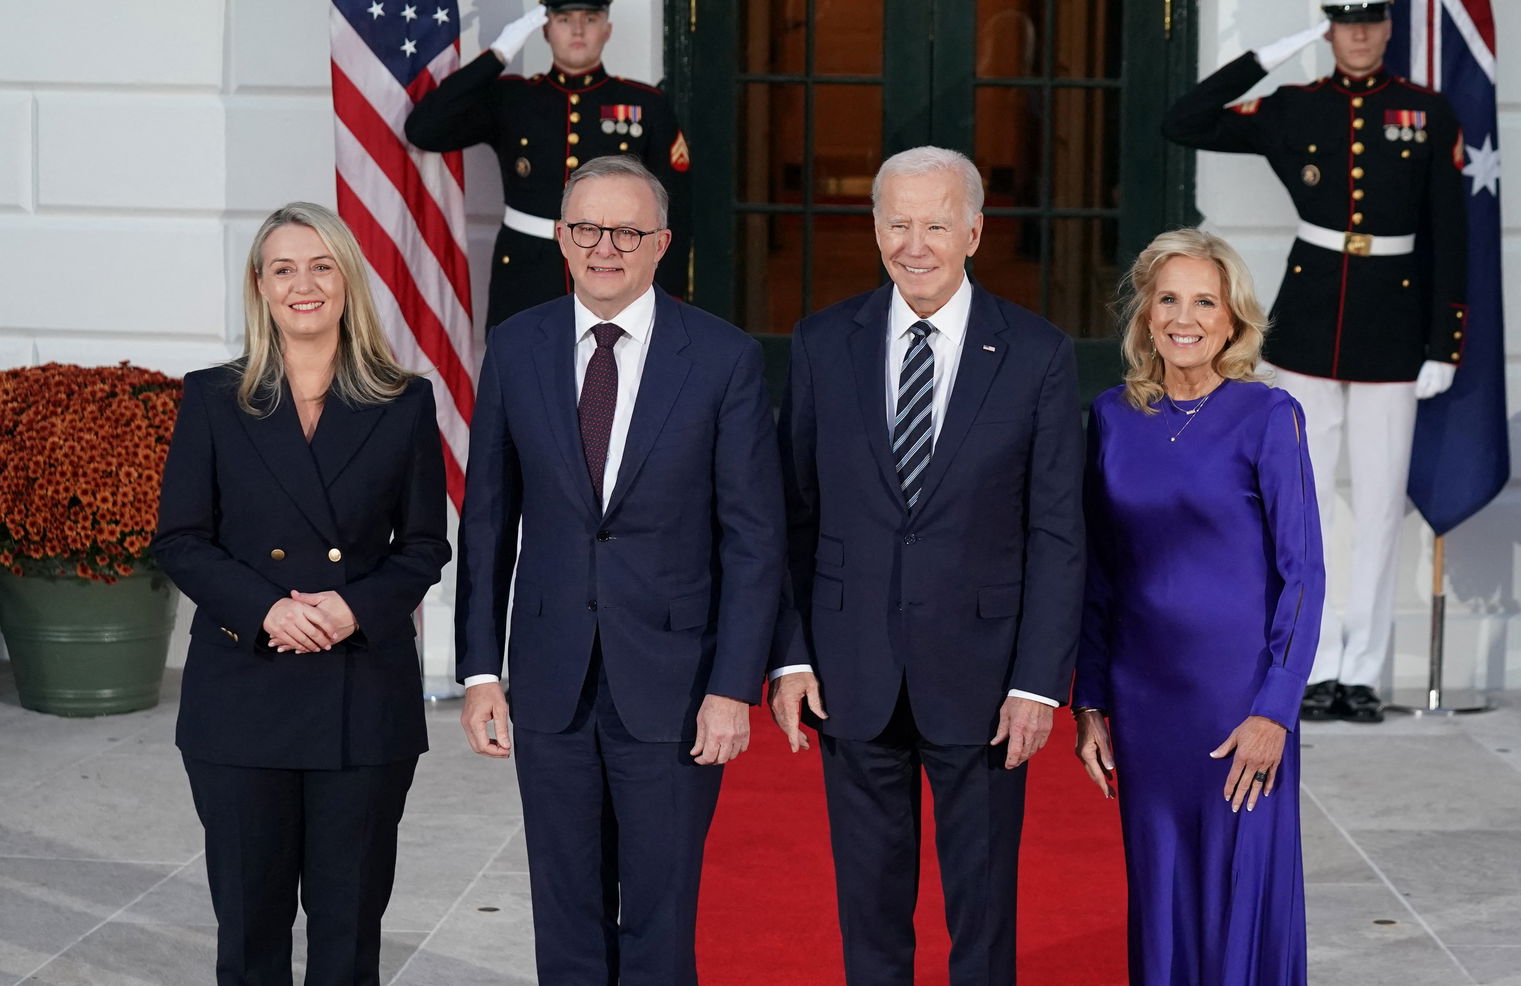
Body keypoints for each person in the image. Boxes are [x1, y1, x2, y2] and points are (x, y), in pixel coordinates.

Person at [454, 154, 783, 985]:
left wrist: (732, 686)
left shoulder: (723, 359)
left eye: (628, 231)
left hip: (675, 685)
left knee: (660, 917)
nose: (608, 247)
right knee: (564, 908)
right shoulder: (516, 347)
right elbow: (489, 520)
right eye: (589, 229)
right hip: (550, 677)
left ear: (660, 243)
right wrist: (481, 672)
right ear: (563, 239)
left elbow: (753, 538)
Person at [768, 146, 1085, 985]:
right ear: (875, 227)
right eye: (898, 223)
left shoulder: (1037, 354)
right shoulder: (821, 342)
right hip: (850, 670)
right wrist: (792, 655)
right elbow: (790, 516)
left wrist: (1038, 682)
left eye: (936, 224)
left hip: (985, 681)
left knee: (983, 914)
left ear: (974, 231)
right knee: (868, 912)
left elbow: (1058, 531)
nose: (916, 244)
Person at [152, 202, 451, 986]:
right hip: (241, 696)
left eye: (321, 266)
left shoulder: (403, 402)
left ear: (347, 281)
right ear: (261, 285)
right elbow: (180, 538)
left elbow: (424, 545)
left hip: (361, 698)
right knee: (250, 934)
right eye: (284, 268)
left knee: (348, 932)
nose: (304, 284)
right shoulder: (214, 398)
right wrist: (267, 610)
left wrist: (353, 607)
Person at [1162, 0, 1467, 723]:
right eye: (1342, 25)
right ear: (1327, 31)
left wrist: (1443, 342)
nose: (1358, 37)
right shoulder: (1295, 106)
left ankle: (1361, 670)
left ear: (1389, 30)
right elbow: (1184, 118)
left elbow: (1451, 237)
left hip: (1394, 330)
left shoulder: (1425, 112)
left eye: (1370, 24)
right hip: (1307, 325)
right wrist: (1272, 52)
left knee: (1379, 500)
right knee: (1301, 503)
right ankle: (1313, 660)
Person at [1072, 228, 1324, 986]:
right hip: (1144, 704)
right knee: (1161, 890)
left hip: (1239, 700)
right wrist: (1089, 702)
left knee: (1243, 886)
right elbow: (1097, 572)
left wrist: (1275, 710)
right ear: (1146, 315)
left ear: (1232, 319)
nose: (1186, 318)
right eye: (1169, 300)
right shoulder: (1111, 418)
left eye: (1205, 301)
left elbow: (1303, 574)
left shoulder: (1267, 415)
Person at [406, 0, 692, 328]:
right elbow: (423, 129)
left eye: (590, 19)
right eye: (563, 19)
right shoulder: (513, 98)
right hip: (527, 271)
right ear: (544, 30)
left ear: (607, 29)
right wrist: (496, 55)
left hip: (613, 265)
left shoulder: (645, 104)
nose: (577, 30)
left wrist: (669, 295)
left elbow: (675, 206)